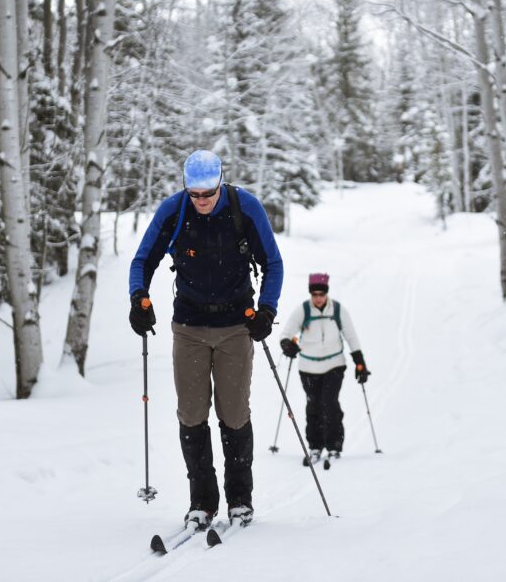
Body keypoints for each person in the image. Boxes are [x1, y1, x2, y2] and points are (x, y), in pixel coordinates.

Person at [128, 150, 284, 530]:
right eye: (194, 194)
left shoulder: (244, 207)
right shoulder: (174, 210)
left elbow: (273, 263)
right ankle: (202, 501)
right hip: (189, 327)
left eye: (207, 194)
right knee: (192, 414)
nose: (201, 201)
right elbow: (142, 261)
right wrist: (138, 298)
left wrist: (267, 310)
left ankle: (240, 500)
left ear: (219, 183)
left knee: (233, 413)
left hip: (236, 326)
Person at [279, 273, 369, 467]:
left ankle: (334, 445)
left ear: (326, 293)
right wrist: (287, 345)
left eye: (321, 293)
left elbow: (351, 336)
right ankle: (315, 446)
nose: (318, 297)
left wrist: (359, 362)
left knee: (329, 403)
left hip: (334, 365)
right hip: (308, 367)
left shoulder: (337, 310)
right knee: (313, 405)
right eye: (315, 294)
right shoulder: (303, 310)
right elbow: (286, 333)